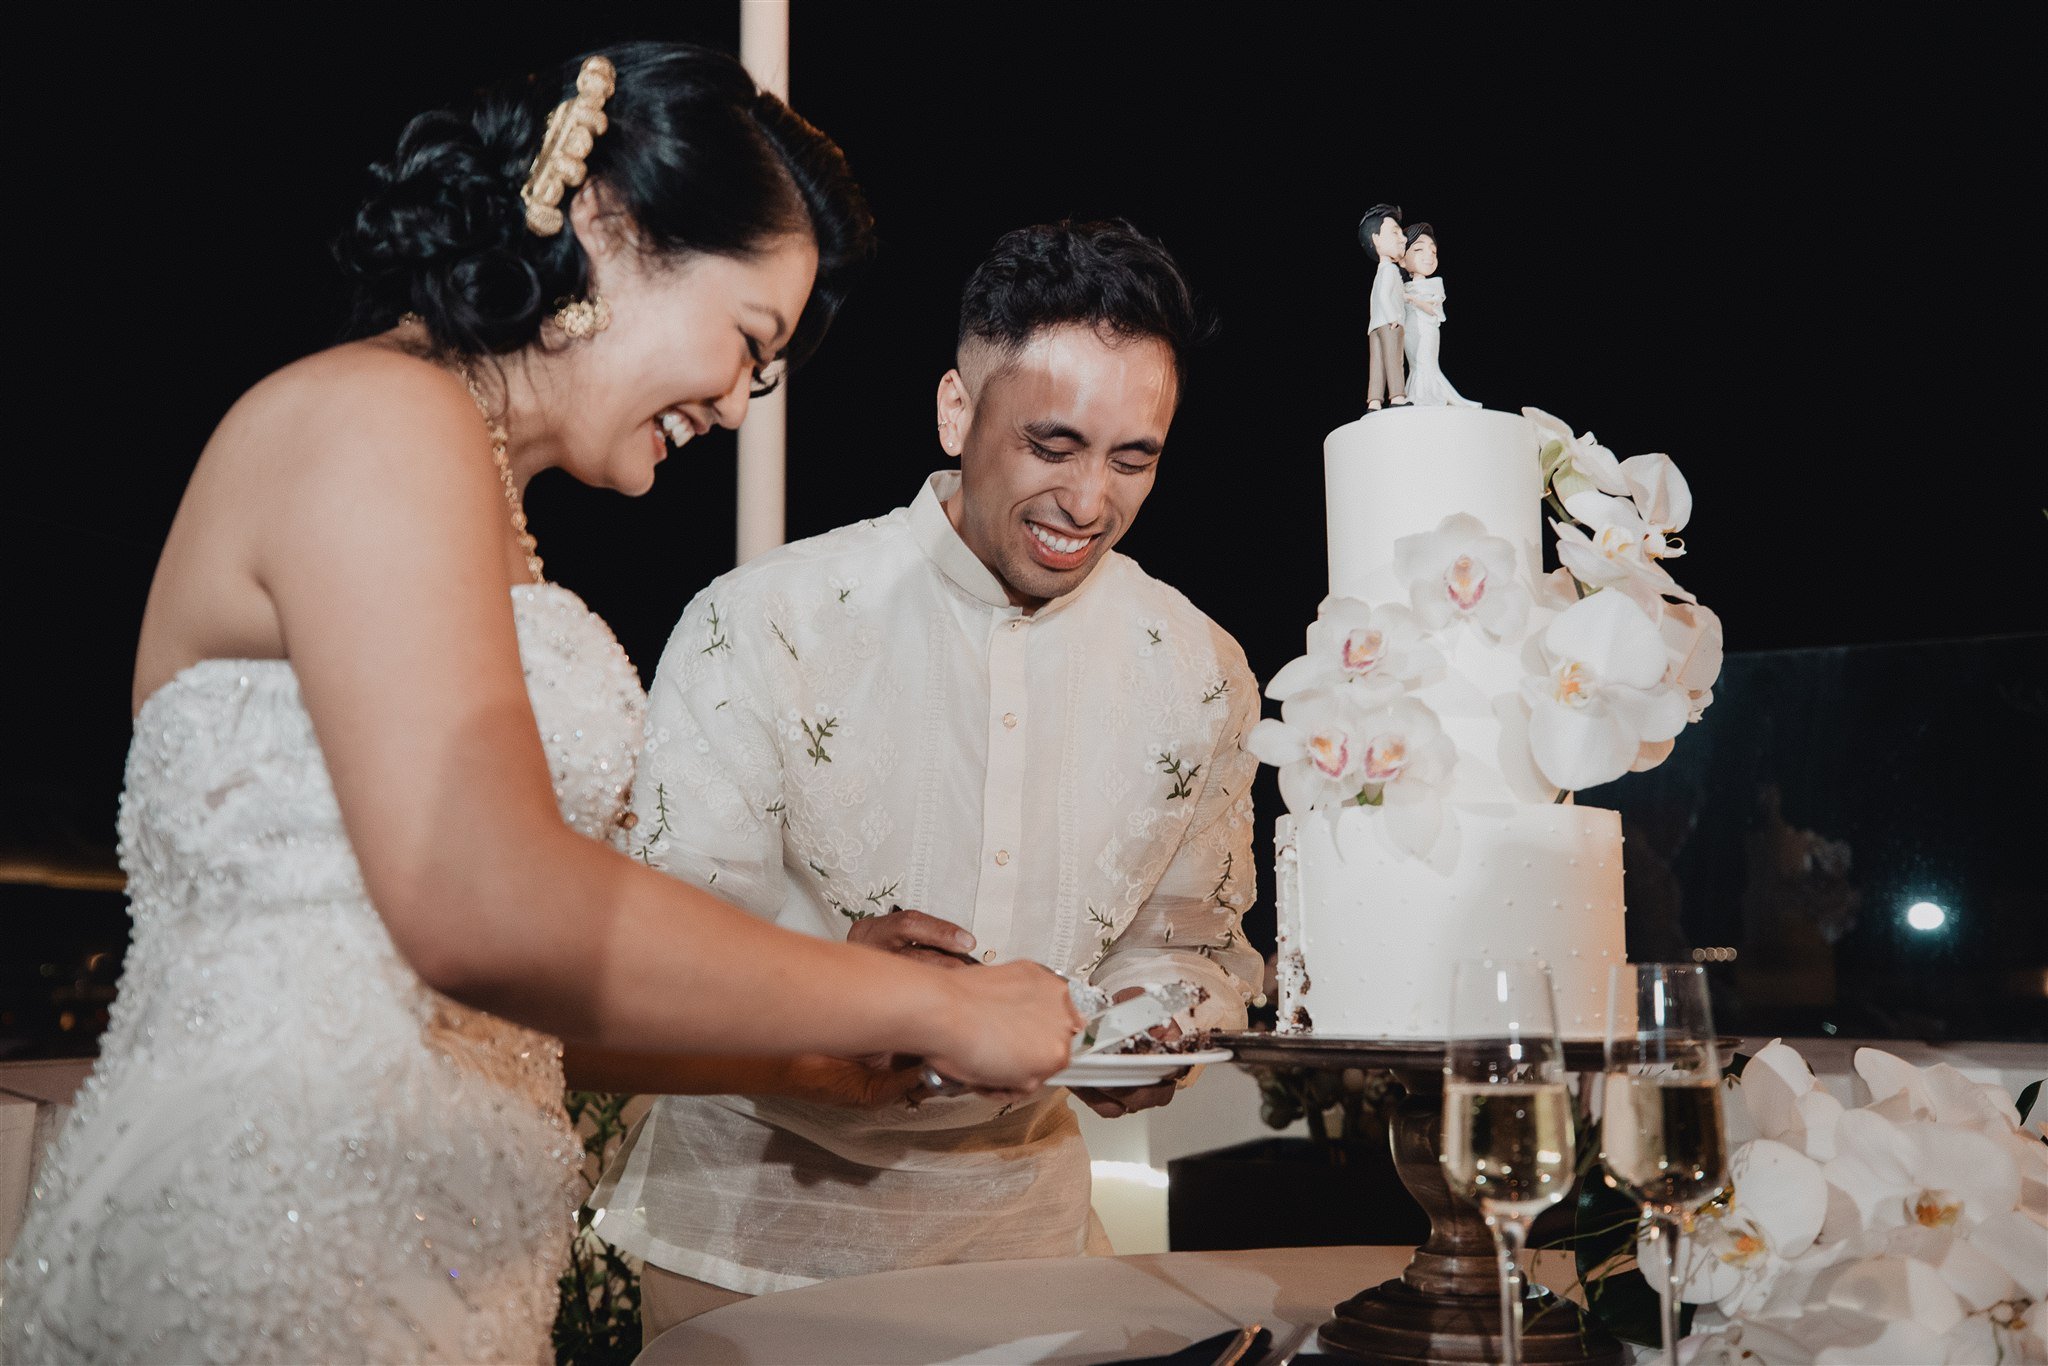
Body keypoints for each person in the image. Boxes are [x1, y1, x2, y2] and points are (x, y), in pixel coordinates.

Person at [0, 42, 1078, 1365]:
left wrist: (798, 1047)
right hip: (273, 1263)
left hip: (420, 1264)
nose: (740, 407)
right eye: (748, 343)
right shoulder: (379, 419)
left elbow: (505, 1005)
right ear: (604, 224)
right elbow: (482, 903)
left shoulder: (467, 494)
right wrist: (933, 1008)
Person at [587, 219, 1263, 1340]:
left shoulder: (1198, 670)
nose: (1088, 500)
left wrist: (1149, 1027)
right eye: (1052, 445)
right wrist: (832, 984)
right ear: (957, 412)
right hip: (746, 1242)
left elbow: (1191, 939)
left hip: (1032, 1243)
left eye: (1131, 457)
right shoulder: (760, 622)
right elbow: (661, 939)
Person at [1399, 223, 1480, 408]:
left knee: (1425, 361)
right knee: (1415, 363)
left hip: (1426, 329)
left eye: (1433, 252)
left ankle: (1430, 396)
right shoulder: (1403, 286)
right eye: (1419, 249)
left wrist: (1412, 300)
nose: (1429, 255)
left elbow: (1433, 310)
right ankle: (1414, 394)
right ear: (1403, 260)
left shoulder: (1434, 285)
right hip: (1410, 330)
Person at [1359, 202, 1410, 412]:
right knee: (1394, 359)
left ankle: (1374, 400)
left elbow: (1379, 297)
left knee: (1377, 364)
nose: (1403, 238)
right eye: (1395, 232)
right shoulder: (1389, 270)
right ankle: (1397, 396)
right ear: (1376, 240)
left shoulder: (1382, 271)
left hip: (1375, 324)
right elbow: (1384, 296)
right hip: (1390, 321)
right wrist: (1393, 317)